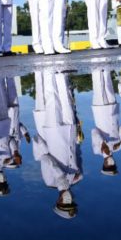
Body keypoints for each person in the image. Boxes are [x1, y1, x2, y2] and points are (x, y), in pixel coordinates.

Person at [32, 70, 82, 219]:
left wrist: (61, 179)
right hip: (69, 134)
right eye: (71, 203)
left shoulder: (50, 182)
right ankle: (61, 74)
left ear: (58, 201)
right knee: (66, 100)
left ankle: (48, 71)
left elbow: (45, 159)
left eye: (65, 203)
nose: (68, 200)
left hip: (54, 135)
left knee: (52, 99)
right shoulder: (77, 179)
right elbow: (78, 154)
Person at [90, 68, 121, 175]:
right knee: (108, 83)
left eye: (109, 166)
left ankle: (95, 62)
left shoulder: (97, 150)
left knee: (98, 84)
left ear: (104, 164)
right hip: (113, 109)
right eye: (113, 165)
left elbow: (94, 131)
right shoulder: (118, 147)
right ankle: (104, 60)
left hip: (100, 110)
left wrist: (103, 144)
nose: (111, 164)